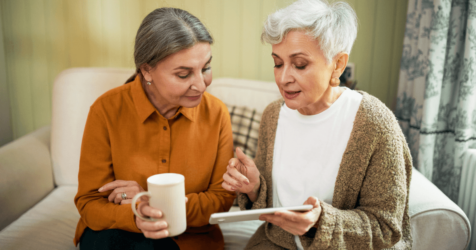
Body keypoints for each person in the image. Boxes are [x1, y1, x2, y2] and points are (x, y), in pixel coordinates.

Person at [222, 0, 413, 249]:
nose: (283, 77)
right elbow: (273, 207)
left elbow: (386, 227)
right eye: (277, 63)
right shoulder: (273, 115)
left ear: (338, 65)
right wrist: (256, 187)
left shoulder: (374, 123)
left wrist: (320, 222)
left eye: (299, 64)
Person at [74, 8, 236, 250]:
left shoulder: (217, 114)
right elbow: (89, 202)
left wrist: (152, 203)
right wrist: (137, 216)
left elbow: (222, 199)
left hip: (191, 240)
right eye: (183, 74)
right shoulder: (106, 110)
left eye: (205, 68)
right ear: (146, 69)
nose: (201, 85)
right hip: (119, 235)